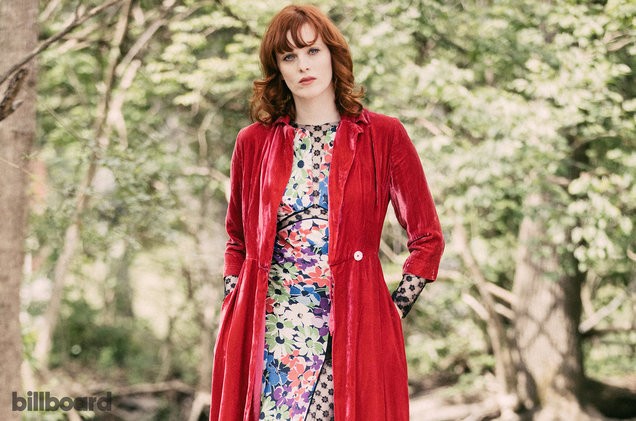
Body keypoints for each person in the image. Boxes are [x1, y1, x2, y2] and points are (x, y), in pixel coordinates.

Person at [210, 5, 444, 421]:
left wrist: (391, 311)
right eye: (289, 56)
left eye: (312, 51)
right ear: (278, 69)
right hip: (271, 328)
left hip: (350, 324)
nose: (303, 65)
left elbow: (427, 239)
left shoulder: (383, 135)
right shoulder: (253, 143)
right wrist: (234, 301)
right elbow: (237, 240)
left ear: (333, 54)